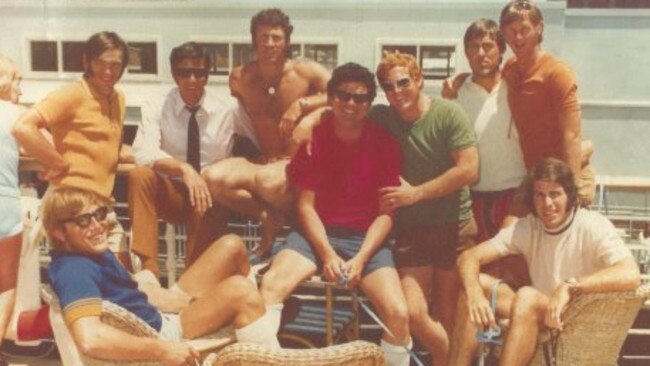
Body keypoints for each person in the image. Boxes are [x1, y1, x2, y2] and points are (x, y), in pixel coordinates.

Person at [260, 63, 412, 366]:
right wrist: (327, 254)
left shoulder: (384, 143)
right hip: (314, 235)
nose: (351, 104)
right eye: (344, 96)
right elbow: (305, 206)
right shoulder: (313, 139)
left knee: (399, 313)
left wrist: (361, 259)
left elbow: (386, 214)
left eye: (360, 98)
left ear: (369, 103)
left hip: (366, 240)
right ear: (331, 99)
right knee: (269, 289)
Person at [42, 186, 280, 365]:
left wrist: (190, 304)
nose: (96, 225)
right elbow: (90, 338)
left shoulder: (93, 252)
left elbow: (135, 290)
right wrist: (162, 350)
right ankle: (265, 342)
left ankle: (258, 322)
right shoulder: (74, 271)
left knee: (232, 246)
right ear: (58, 233)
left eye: (100, 214)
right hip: (161, 333)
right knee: (241, 292)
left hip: (159, 311)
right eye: (82, 221)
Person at [447, 158, 641, 366]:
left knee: (527, 296)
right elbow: (468, 257)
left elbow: (630, 274)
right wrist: (475, 295)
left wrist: (570, 286)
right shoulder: (529, 227)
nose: (547, 204)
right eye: (540, 195)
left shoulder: (592, 225)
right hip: (538, 311)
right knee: (478, 285)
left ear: (569, 195)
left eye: (555, 194)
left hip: (575, 316)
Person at [203, 8, 331, 258]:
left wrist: (304, 108)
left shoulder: (306, 71)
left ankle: (303, 234)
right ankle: (267, 216)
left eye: (276, 37)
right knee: (211, 178)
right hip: (265, 163)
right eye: (263, 37)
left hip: (299, 165)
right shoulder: (240, 78)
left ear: (286, 41)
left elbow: (340, 95)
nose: (270, 44)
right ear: (254, 41)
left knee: (269, 182)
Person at [129, 42, 253, 275]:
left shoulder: (228, 109)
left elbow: (256, 139)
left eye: (199, 72)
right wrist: (184, 169)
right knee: (140, 176)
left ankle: (189, 287)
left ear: (207, 75)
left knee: (207, 200)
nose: (193, 79)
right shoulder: (157, 104)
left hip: (210, 198)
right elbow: (143, 152)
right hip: (172, 192)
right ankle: (149, 272)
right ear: (175, 76)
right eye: (185, 73)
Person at [12, 31, 133, 265]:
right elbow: (23, 127)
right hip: (73, 209)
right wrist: (57, 163)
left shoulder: (119, 99)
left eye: (115, 65)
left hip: (102, 208)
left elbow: (102, 143)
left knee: (123, 280)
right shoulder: (72, 93)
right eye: (101, 63)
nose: (108, 72)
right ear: (86, 61)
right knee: (88, 278)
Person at [450, 19, 531, 288]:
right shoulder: (455, 95)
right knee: (482, 276)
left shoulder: (518, 86)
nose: (481, 53)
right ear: (466, 52)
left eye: (488, 46)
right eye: (474, 47)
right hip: (474, 199)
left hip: (516, 196)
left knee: (519, 270)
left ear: (501, 50)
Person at [0, 53, 24, 365]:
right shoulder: (16, 114)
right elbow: (46, 147)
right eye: (17, 81)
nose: (20, 87)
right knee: (5, 284)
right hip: (4, 202)